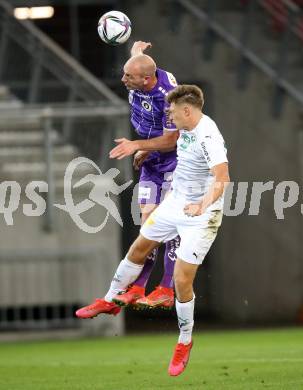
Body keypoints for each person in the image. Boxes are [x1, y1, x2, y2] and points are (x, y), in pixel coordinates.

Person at [78, 85, 230, 376]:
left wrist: (202, 204)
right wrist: (144, 151)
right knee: (138, 248)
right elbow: (170, 142)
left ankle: (185, 341)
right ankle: (110, 300)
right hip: (175, 204)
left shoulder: (209, 136)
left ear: (187, 111)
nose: (169, 115)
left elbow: (223, 178)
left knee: (182, 282)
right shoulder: (185, 127)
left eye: (172, 111)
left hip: (202, 214)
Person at [77, 42, 180, 316]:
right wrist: (136, 52)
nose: (123, 80)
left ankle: (167, 289)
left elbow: (172, 140)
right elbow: (140, 63)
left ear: (147, 79)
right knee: (147, 227)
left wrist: (138, 145)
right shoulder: (143, 73)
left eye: (129, 76)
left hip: (175, 163)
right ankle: (137, 287)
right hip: (152, 163)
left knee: (166, 224)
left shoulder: (169, 98)